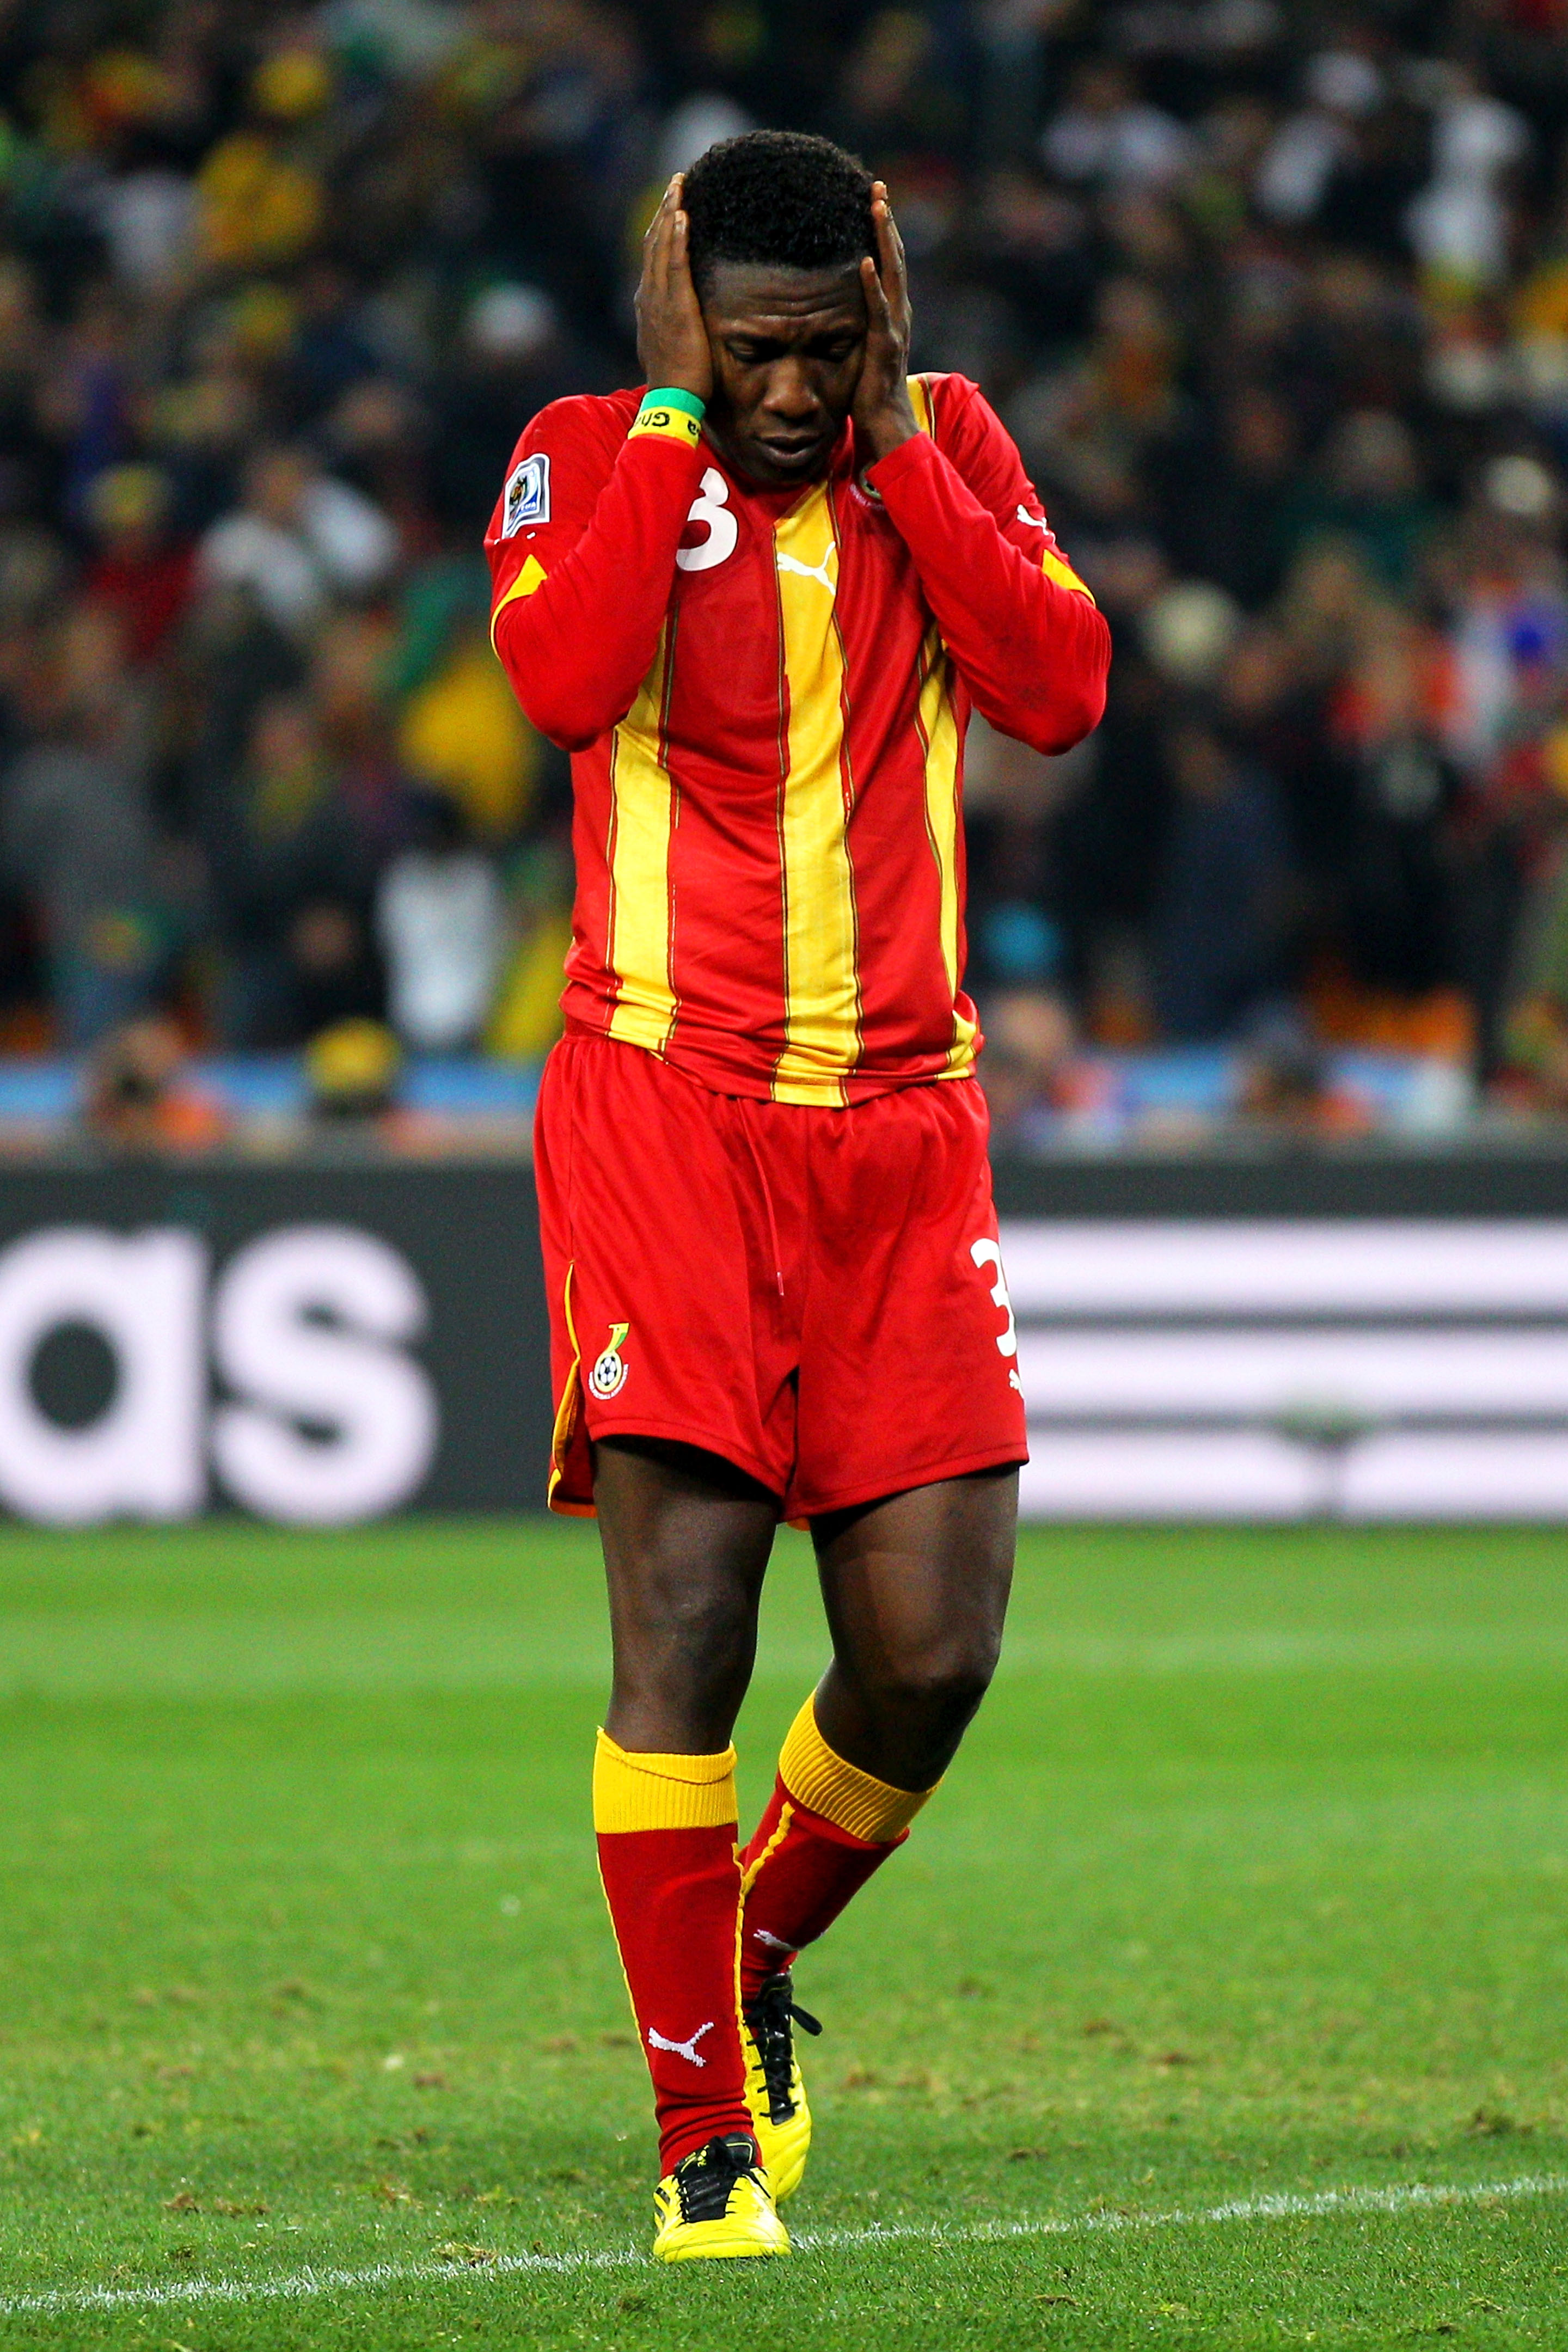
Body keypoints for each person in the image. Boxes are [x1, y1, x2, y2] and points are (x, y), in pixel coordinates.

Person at [485, 130, 1109, 2263]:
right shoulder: (585, 452)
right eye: (750, 349)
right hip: (666, 1108)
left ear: (882, 315)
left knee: (929, 1654)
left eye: (825, 349)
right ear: (683, 320)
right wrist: (666, 406)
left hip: (905, 1126)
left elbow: (1061, 686)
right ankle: (698, 2151)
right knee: (688, 1627)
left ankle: (740, 1957)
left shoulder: (925, 451)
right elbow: (561, 688)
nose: (787, 391)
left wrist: (914, 424)